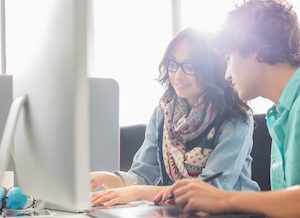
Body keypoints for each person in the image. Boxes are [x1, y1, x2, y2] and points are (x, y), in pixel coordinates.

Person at [90, 28, 260, 207]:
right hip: (178, 211)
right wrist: (105, 178)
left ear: (211, 67)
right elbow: (142, 175)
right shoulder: (163, 114)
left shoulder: (236, 119)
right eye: (173, 64)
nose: (178, 75)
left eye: (189, 66)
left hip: (234, 212)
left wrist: (138, 193)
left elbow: (209, 190)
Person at [162, 0, 300, 217]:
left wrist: (224, 198)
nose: (226, 74)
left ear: (254, 48)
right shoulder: (282, 113)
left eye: (228, 58)